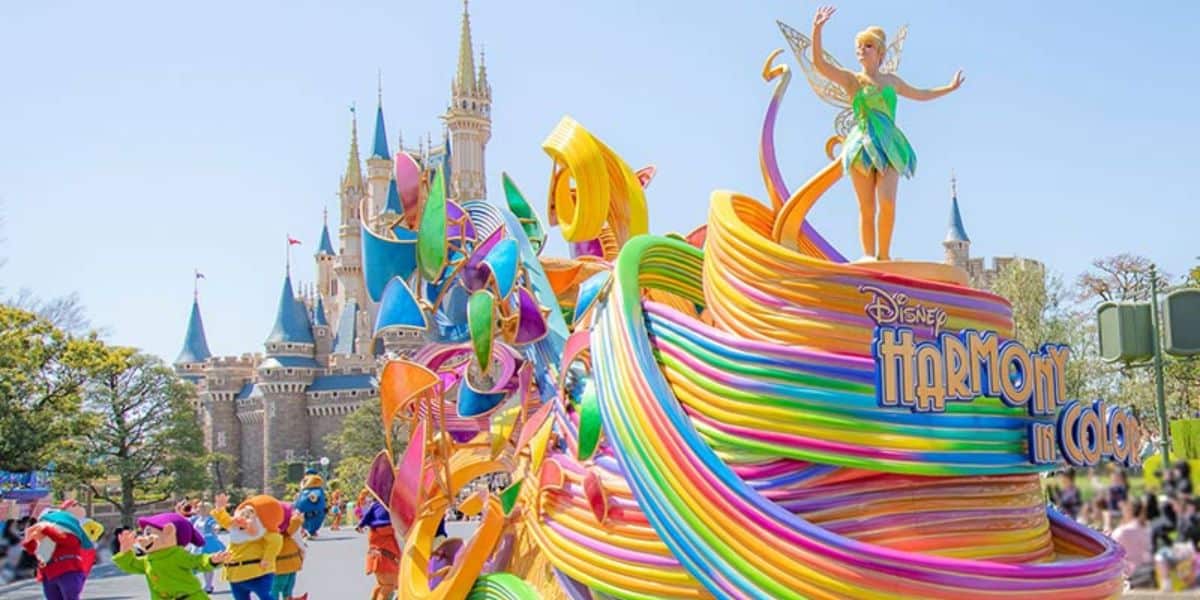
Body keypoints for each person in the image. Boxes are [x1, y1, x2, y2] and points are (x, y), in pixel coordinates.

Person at [807, 5, 964, 262]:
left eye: (868, 46)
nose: (862, 49)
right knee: (867, 207)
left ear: (879, 52)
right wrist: (817, 30)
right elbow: (820, 65)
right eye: (860, 46)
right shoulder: (852, 80)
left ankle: (884, 255)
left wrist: (948, 88)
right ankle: (868, 255)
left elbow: (921, 94)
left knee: (888, 204)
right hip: (862, 145)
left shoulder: (892, 81)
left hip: (890, 145)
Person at [112, 511, 230, 600]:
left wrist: (212, 560)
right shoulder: (148, 560)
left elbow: (197, 561)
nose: (142, 538)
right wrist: (125, 552)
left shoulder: (177, 555)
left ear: (169, 531)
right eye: (144, 533)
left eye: (149, 533)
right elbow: (131, 565)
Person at [1110, 498, 1155, 588]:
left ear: (1129, 511)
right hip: (1146, 571)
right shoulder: (1148, 529)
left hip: (1129, 575)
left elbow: (1110, 554)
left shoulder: (1121, 531)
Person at [190, 501, 226, 594]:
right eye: (197, 507)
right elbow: (186, 521)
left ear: (205, 509)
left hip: (208, 544)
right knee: (193, 565)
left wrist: (216, 527)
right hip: (197, 545)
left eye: (200, 507)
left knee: (208, 565)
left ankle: (208, 586)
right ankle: (193, 585)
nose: (197, 509)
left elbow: (215, 525)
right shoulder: (195, 519)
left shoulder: (210, 519)